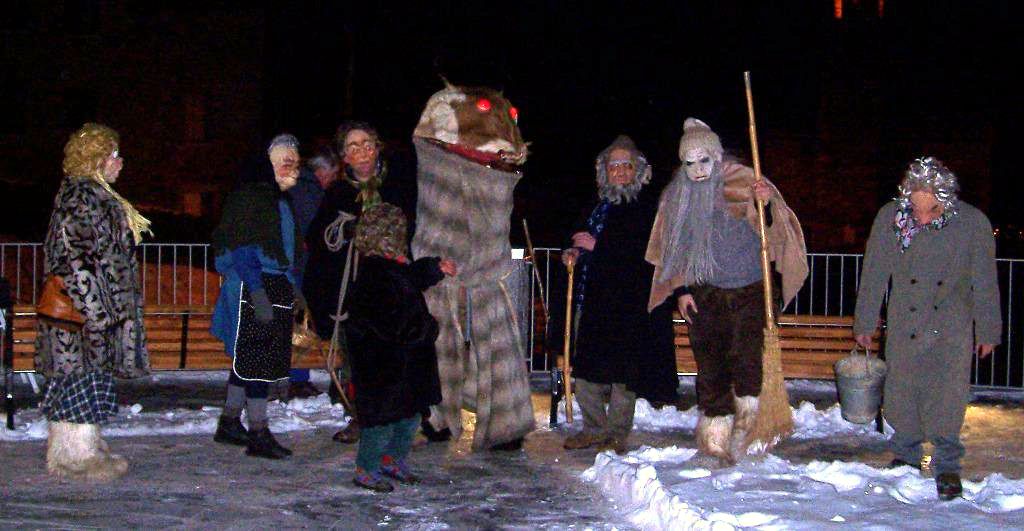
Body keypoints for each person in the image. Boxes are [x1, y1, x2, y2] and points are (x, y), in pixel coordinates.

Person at [646, 118, 807, 464]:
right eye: (690, 163)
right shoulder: (678, 196)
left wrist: (765, 204)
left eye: (704, 160)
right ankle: (715, 435)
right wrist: (682, 291)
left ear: (717, 157)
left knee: (749, 363)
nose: (698, 170)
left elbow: (772, 231)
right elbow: (674, 249)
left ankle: (749, 431)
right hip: (705, 293)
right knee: (712, 366)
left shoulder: (746, 182)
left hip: (750, 290)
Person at [853, 156, 1000, 501]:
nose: (920, 218)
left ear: (945, 200)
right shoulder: (891, 218)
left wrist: (988, 331)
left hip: (951, 325)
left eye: (930, 210)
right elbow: (874, 272)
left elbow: (984, 281)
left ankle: (947, 465)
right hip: (906, 320)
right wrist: (864, 321)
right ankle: (905, 454)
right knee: (902, 392)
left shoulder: (972, 223)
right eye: (915, 209)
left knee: (947, 396)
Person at [36, 123, 152, 480]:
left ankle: (80, 447)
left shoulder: (97, 196)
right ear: (97, 160)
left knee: (87, 381)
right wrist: (99, 314)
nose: (120, 162)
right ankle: (77, 456)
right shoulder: (80, 198)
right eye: (114, 155)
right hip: (81, 320)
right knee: (77, 380)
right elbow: (76, 261)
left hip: (92, 317)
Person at [559, 135, 679, 454]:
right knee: (586, 370)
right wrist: (572, 252)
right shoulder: (599, 206)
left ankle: (616, 432)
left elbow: (645, 254)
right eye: (615, 166)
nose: (621, 171)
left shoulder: (645, 207)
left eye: (627, 165)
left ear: (637, 169)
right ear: (605, 171)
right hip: (594, 300)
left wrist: (598, 248)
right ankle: (593, 428)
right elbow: (580, 237)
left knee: (623, 375)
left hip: (627, 304)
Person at [303, 121, 417, 444]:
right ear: (344, 157)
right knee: (357, 359)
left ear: (377, 147)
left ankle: (400, 418)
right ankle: (361, 417)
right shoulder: (338, 194)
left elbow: (409, 231)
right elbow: (319, 240)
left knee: (395, 356)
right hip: (352, 291)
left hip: (391, 288)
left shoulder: (397, 189)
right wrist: (346, 233)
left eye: (366, 144)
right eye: (352, 147)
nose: (361, 152)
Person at [345, 203, 455, 492]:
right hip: (384, 367)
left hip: (402, 365)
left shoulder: (392, 268)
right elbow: (394, 323)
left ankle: (391, 459)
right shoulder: (376, 275)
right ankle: (366, 468)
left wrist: (433, 267)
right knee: (381, 421)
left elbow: (413, 277)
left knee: (410, 415)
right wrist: (428, 327)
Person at [210, 134, 305, 459]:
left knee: (249, 358)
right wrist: (257, 291)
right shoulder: (251, 197)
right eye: (283, 160)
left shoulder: (277, 200)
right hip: (252, 284)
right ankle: (258, 432)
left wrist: (293, 285)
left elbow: (285, 251)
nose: (290, 165)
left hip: (272, 283)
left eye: (294, 160)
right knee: (257, 361)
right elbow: (243, 247)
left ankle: (229, 422)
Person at [284, 146, 340, 400]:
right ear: (322, 170)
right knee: (299, 322)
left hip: (299, 266)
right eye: (333, 173)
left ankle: (299, 377)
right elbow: (313, 231)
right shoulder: (308, 191)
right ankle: (297, 378)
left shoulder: (301, 187)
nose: (333, 179)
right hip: (300, 268)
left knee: (300, 322)